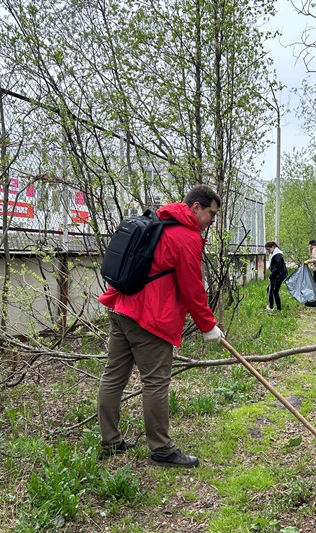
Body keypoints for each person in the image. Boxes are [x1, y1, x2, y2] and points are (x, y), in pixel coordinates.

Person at [97, 185, 224, 468]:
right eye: (211, 215)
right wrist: (208, 326)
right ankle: (162, 450)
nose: (212, 222)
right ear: (196, 207)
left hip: (121, 307)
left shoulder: (160, 220)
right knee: (155, 382)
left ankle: (111, 441)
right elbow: (192, 289)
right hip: (149, 317)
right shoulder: (185, 236)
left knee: (113, 376)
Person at [264, 241, 287, 311]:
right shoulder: (274, 254)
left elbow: (277, 267)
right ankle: (271, 306)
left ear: (273, 247)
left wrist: (271, 275)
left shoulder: (278, 255)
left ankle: (278, 308)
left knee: (274, 291)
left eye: (268, 249)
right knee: (270, 289)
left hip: (279, 276)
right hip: (277, 275)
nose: (268, 251)